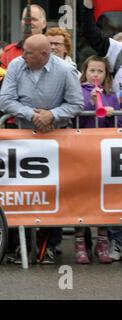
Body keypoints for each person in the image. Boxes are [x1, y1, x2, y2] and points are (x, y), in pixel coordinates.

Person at [0, 34, 84, 264]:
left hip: (55, 140)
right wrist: (33, 115)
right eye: (23, 50)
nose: (22, 55)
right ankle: (21, 247)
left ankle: (49, 246)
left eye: (27, 52)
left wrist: (52, 115)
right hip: (23, 138)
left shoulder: (65, 70)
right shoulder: (16, 65)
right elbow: (5, 100)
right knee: (23, 192)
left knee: (52, 192)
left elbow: (77, 103)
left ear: (44, 55)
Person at [82, 0, 122, 262]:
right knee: (115, 190)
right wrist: (86, 7)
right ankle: (115, 242)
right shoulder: (117, 50)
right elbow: (91, 34)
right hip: (116, 129)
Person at [74, 55, 121, 264]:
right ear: (86, 72)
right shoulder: (79, 92)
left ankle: (102, 240)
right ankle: (80, 241)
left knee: (102, 197)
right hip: (82, 152)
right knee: (82, 197)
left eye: (100, 71)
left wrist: (111, 113)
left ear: (106, 75)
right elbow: (76, 115)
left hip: (103, 154)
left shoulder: (111, 95)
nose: (95, 74)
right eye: (92, 70)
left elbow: (118, 124)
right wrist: (90, 103)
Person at [0, 4, 47, 69]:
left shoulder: (52, 49)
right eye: (25, 19)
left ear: (44, 23)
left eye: (34, 19)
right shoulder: (9, 51)